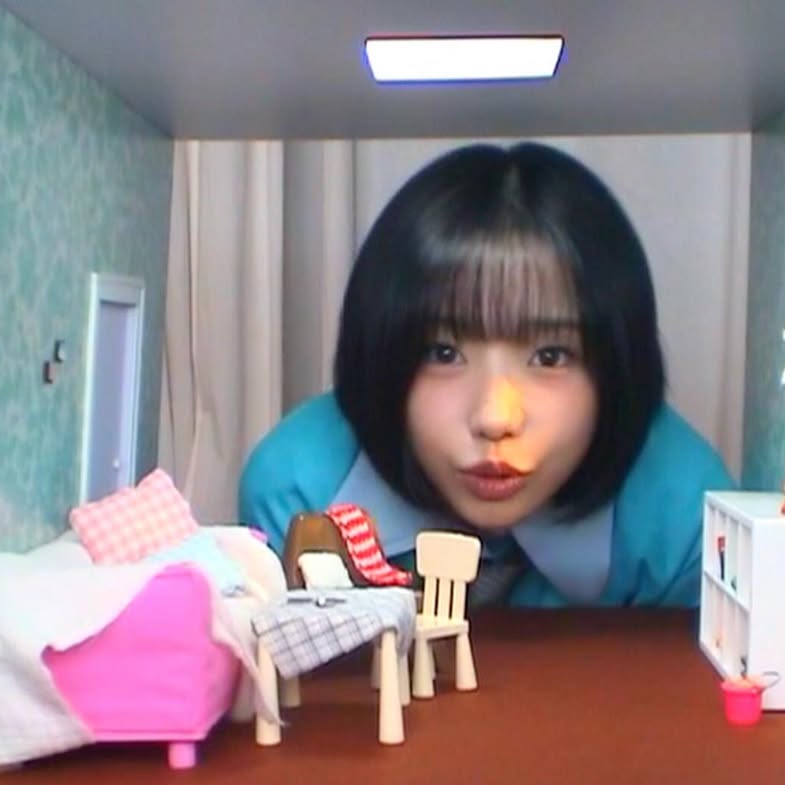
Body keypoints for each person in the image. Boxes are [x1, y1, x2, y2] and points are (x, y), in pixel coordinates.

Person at [238, 141, 734, 608]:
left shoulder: (687, 513)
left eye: (551, 356)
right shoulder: (303, 492)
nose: (495, 418)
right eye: (443, 352)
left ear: (618, 365)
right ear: (379, 354)